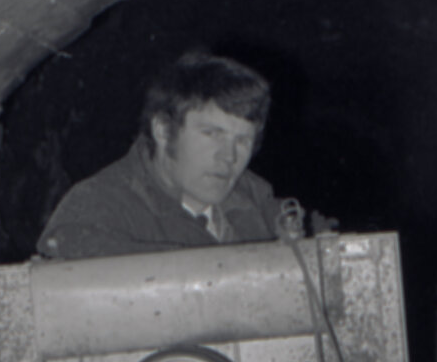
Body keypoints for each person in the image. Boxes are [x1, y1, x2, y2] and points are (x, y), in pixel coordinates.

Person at [36, 50, 318, 259]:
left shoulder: (255, 199)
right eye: (211, 134)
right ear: (163, 130)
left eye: (243, 140)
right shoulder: (97, 208)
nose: (229, 157)